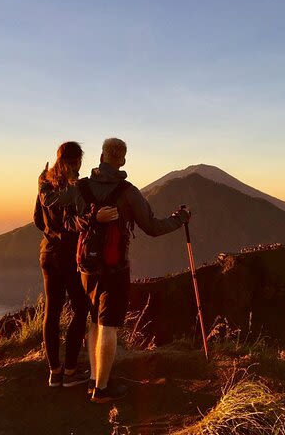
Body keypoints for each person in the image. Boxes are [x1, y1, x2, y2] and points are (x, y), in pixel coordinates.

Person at [63, 138, 191, 403]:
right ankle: (101, 389)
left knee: (95, 321)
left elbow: (67, 221)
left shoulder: (80, 187)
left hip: (85, 267)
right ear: (121, 159)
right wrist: (181, 219)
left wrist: (89, 218)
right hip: (114, 268)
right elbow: (153, 227)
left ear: (101, 156)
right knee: (108, 325)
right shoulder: (128, 192)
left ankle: (94, 379)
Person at [34, 141, 105, 388]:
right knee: (81, 307)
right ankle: (72, 371)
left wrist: (51, 234)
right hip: (69, 256)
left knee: (52, 311)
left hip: (47, 254)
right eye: (78, 162)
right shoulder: (75, 187)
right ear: (75, 161)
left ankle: (55, 372)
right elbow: (71, 223)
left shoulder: (45, 182)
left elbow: (36, 219)